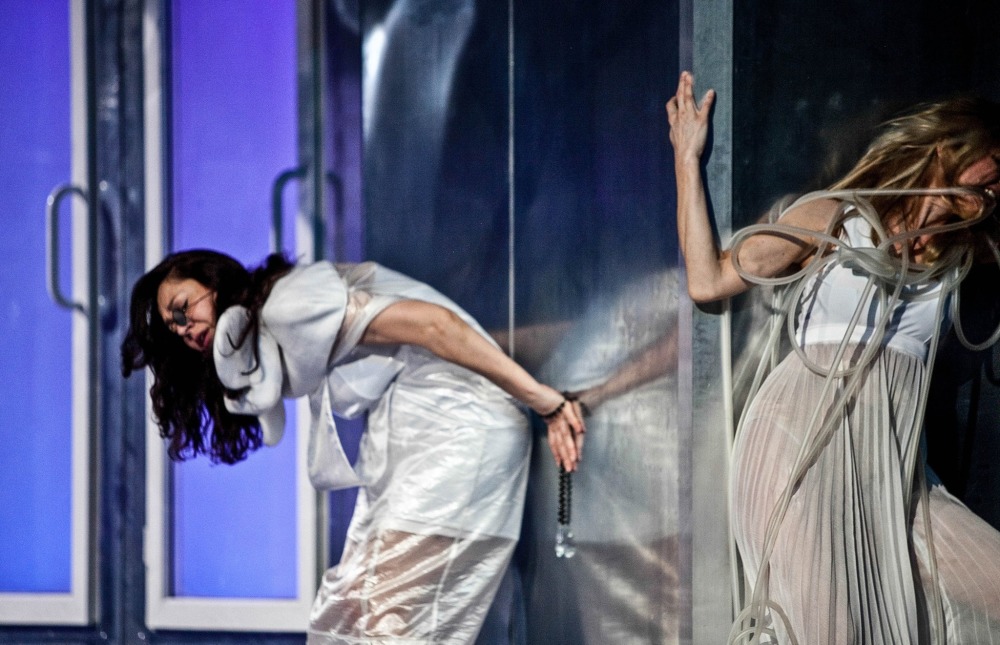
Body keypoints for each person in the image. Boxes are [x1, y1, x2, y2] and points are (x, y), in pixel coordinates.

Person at [667, 70, 1000, 644]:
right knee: (831, 632)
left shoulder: (965, 255)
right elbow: (709, 279)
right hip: (796, 447)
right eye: (995, 166)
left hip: (892, 473)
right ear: (951, 148)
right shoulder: (837, 217)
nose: (996, 188)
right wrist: (686, 159)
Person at [121, 251, 585, 644]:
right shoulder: (275, 319)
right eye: (173, 330)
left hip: (457, 426)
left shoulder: (289, 306)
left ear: (212, 280)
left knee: (385, 620)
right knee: (347, 614)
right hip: (413, 430)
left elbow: (436, 325)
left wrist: (544, 401)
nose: (183, 329)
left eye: (181, 309)